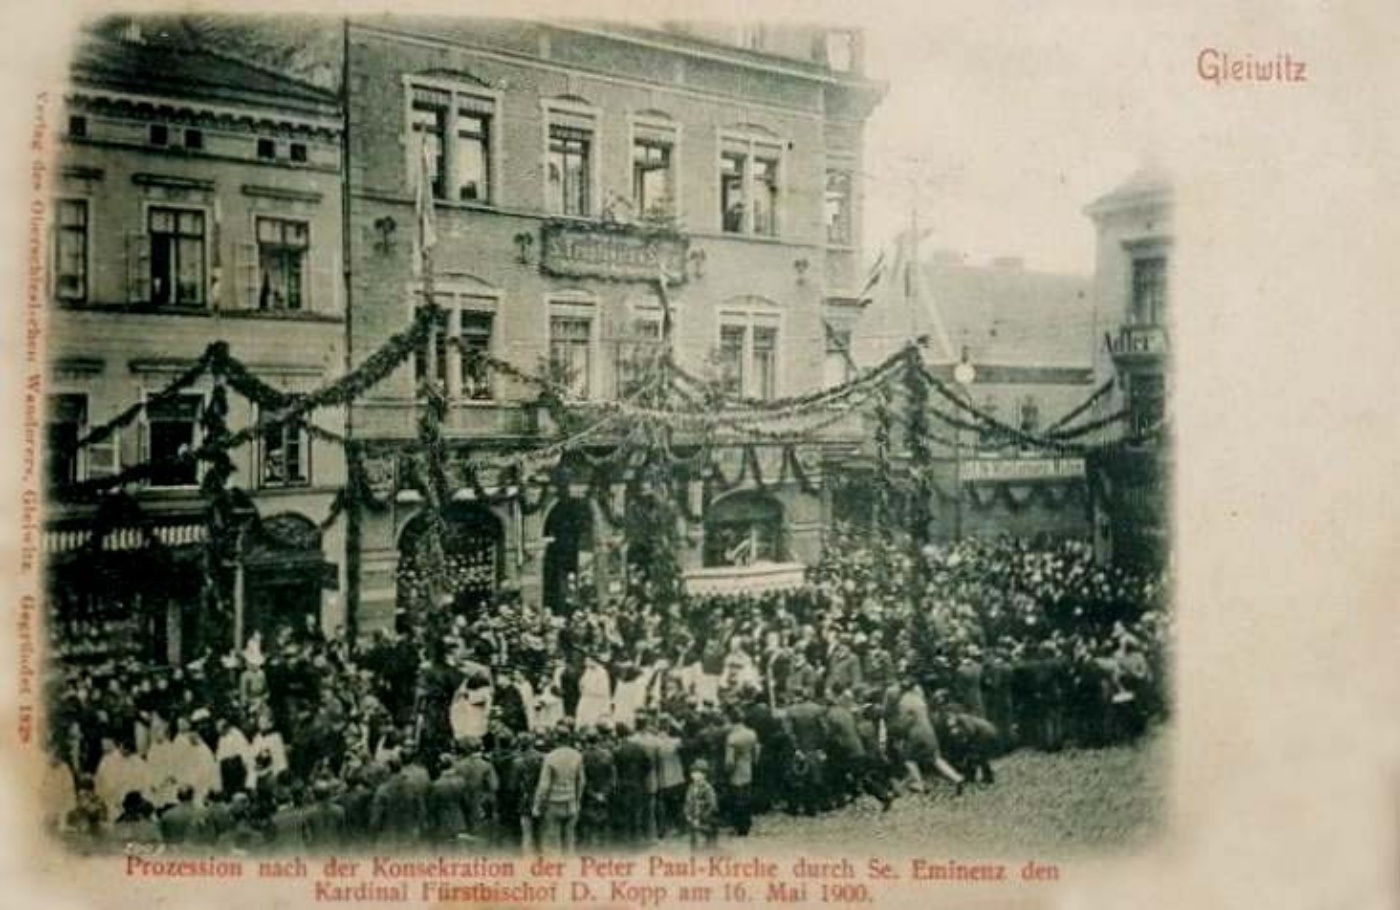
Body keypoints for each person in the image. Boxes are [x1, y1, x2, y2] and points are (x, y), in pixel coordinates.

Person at [533, 730, 585, 854]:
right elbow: (581, 781)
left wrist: (537, 806)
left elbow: (544, 786)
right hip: (571, 802)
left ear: (556, 740)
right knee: (569, 843)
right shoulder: (577, 755)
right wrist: (578, 800)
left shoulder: (550, 757)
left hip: (554, 803)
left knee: (552, 845)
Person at [723, 708, 760, 836]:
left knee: (737, 799)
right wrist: (753, 762)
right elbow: (756, 752)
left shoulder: (732, 738)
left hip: (736, 770)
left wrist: (727, 771)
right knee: (747, 796)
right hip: (747, 767)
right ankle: (747, 823)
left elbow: (729, 761)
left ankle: (739, 825)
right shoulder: (751, 733)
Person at [683, 758, 720, 852]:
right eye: (692, 772)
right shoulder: (691, 787)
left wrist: (702, 817)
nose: (693, 775)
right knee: (694, 841)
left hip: (706, 819)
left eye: (697, 772)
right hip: (693, 817)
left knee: (707, 845)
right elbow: (687, 802)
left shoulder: (708, 788)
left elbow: (712, 805)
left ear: (704, 775)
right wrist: (688, 814)